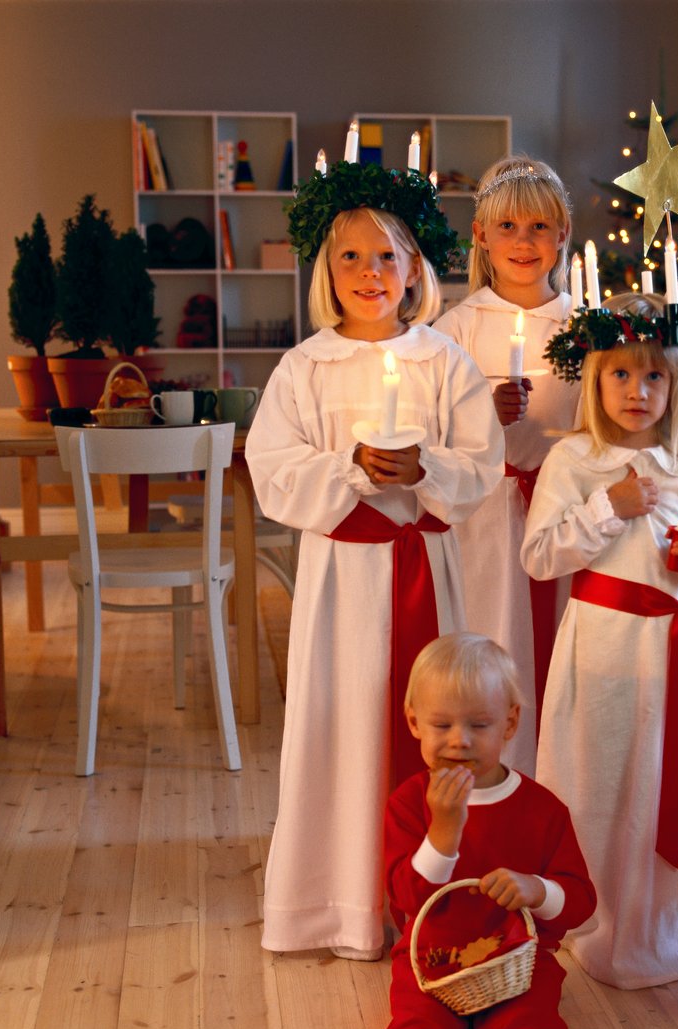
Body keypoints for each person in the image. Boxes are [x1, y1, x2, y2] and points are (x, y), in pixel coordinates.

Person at [247, 160, 504, 961]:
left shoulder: (444, 360)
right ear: (327, 272)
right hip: (343, 580)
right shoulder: (305, 366)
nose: (370, 273)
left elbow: (482, 460)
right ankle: (341, 903)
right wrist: (351, 469)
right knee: (345, 720)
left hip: (425, 565)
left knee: (436, 718)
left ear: (415, 269)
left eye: (386, 257)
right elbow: (272, 467)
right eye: (351, 258)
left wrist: (425, 467)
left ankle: (433, 894)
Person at [522, 293, 678, 989]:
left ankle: (660, 923)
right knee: (599, 778)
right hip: (602, 647)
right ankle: (591, 919)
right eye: (621, 374)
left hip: (674, 653)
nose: (637, 390)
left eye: (654, 375)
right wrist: (607, 507)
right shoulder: (574, 460)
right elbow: (539, 555)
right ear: (595, 378)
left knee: (666, 783)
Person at [376, 633, 595, 1029]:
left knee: (532, 1025)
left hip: (518, 964)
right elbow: (405, 898)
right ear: (414, 722)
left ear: (510, 723)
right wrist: (443, 832)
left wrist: (537, 889)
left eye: (479, 724)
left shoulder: (542, 809)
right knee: (417, 1025)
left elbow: (582, 900)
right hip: (431, 961)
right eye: (442, 725)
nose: (460, 740)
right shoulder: (409, 803)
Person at [434, 157, 578, 776]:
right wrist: (483, 415)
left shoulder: (583, 325)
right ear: (480, 236)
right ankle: (492, 774)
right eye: (508, 227)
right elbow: (431, 432)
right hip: (487, 521)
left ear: (562, 235)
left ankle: (558, 777)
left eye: (540, 227)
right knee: (495, 642)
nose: (524, 241)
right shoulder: (456, 329)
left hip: (565, 510)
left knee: (564, 652)